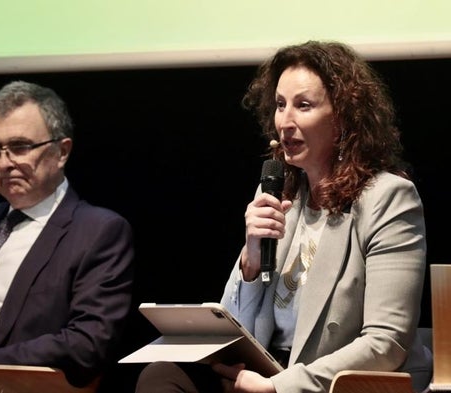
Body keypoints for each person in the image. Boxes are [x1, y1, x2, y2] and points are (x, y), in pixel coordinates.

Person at [135, 40, 433, 393]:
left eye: (303, 106)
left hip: (324, 382)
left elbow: (387, 343)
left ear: (343, 119)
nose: (285, 122)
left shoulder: (387, 198)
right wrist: (251, 260)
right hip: (266, 369)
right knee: (161, 375)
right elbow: (236, 334)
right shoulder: (279, 194)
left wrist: (280, 387)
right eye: (280, 105)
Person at [0, 81, 134, 392]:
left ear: (61, 151)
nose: (4, 163)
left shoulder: (98, 230)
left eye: (20, 147)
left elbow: (86, 343)